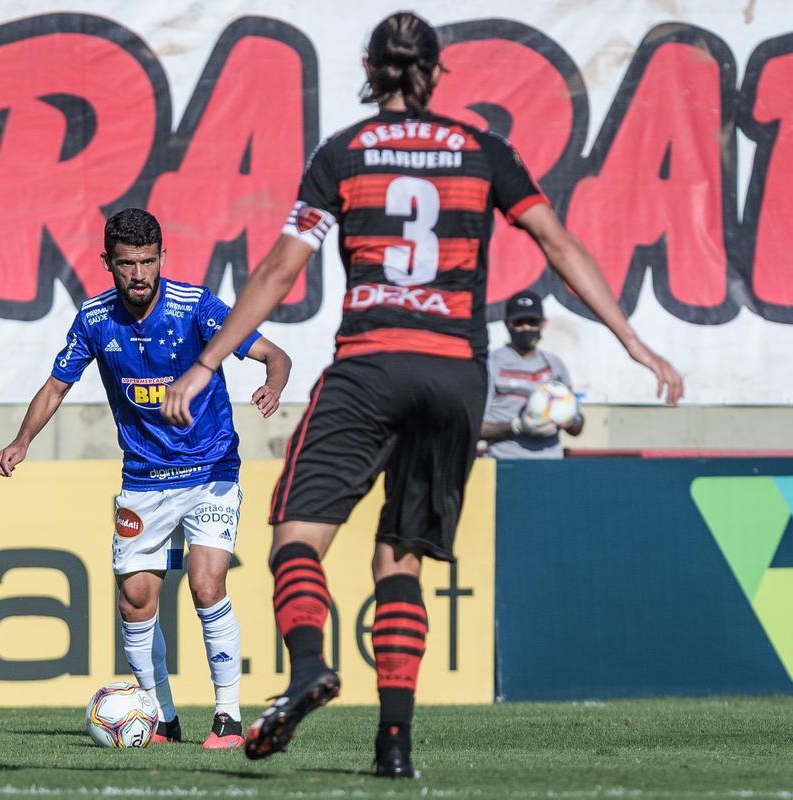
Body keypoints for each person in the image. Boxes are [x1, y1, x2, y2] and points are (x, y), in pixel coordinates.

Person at [160, 11, 682, 778]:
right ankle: (394, 744)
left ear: (371, 70)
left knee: (296, 540)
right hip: (456, 377)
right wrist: (632, 340)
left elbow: (278, 270)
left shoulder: (342, 154)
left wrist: (206, 364)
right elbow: (558, 244)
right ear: (437, 74)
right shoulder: (484, 151)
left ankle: (309, 667)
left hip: (372, 364)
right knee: (399, 563)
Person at [0, 208, 291, 749]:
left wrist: (272, 383)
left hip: (210, 471)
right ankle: (159, 718)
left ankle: (226, 715)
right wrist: (22, 441)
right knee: (135, 599)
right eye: (127, 263)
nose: (139, 275)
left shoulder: (195, 307)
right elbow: (56, 387)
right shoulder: (94, 319)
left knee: (207, 584)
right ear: (107, 262)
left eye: (148, 262)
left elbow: (275, 354)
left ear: (161, 258)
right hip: (144, 481)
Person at [482, 289, 584, 458]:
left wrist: (570, 418)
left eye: (532, 321)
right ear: (507, 324)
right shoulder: (490, 364)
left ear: (543, 324)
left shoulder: (555, 365)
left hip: (550, 465)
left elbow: (577, 428)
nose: (526, 327)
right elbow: (475, 428)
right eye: (519, 322)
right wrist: (516, 426)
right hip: (505, 463)